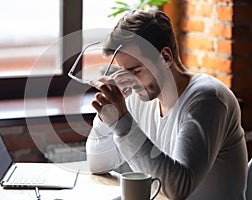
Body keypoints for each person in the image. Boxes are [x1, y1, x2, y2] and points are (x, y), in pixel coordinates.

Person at [85, 10, 248, 199]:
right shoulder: (141, 97)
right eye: (122, 71)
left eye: (135, 70)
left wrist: (122, 123)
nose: (127, 80)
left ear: (165, 57)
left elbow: (177, 189)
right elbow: (98, 163)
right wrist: (108, 112)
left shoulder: (208, 100)